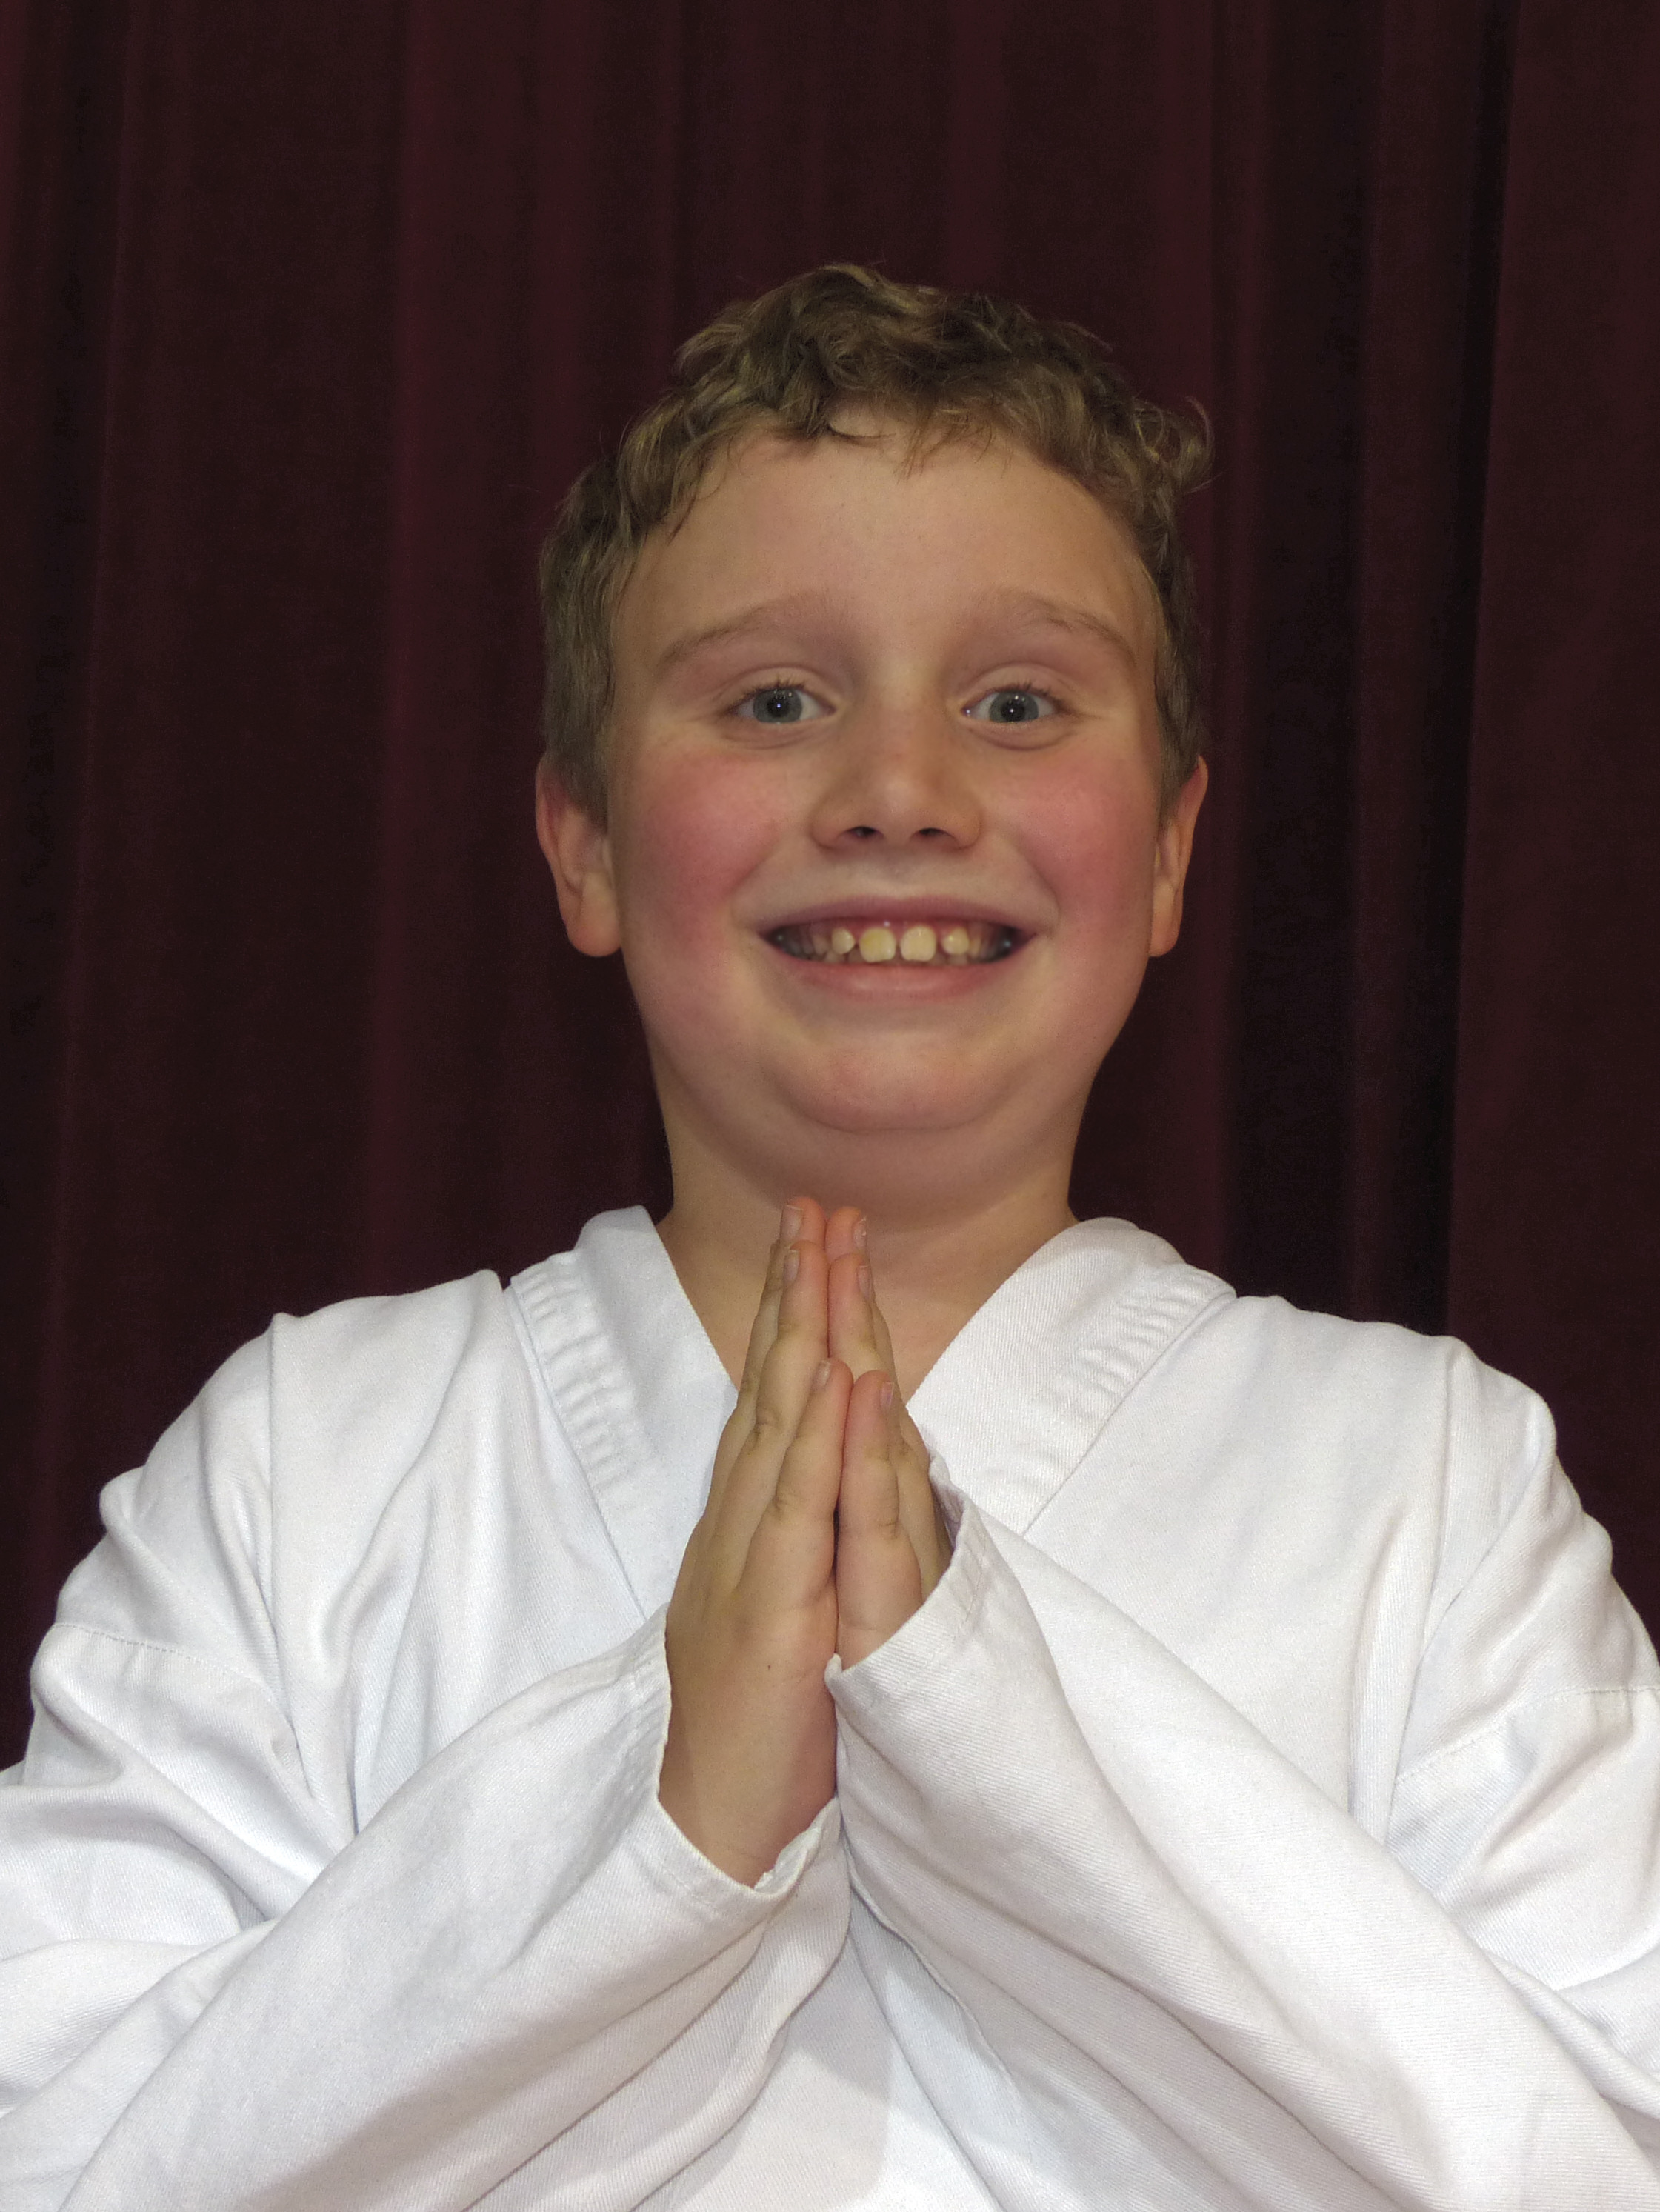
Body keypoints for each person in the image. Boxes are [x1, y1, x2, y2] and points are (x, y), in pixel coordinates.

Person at [3, 264, 1659, 2212]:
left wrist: (987, 1729)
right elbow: (59, 2151)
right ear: (585, 841)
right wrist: (653, 1813)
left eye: (1018, 702)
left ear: (1170, 849)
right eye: (773, 700)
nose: (897, 794)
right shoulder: (309, 1465)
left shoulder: (1422, 1485)